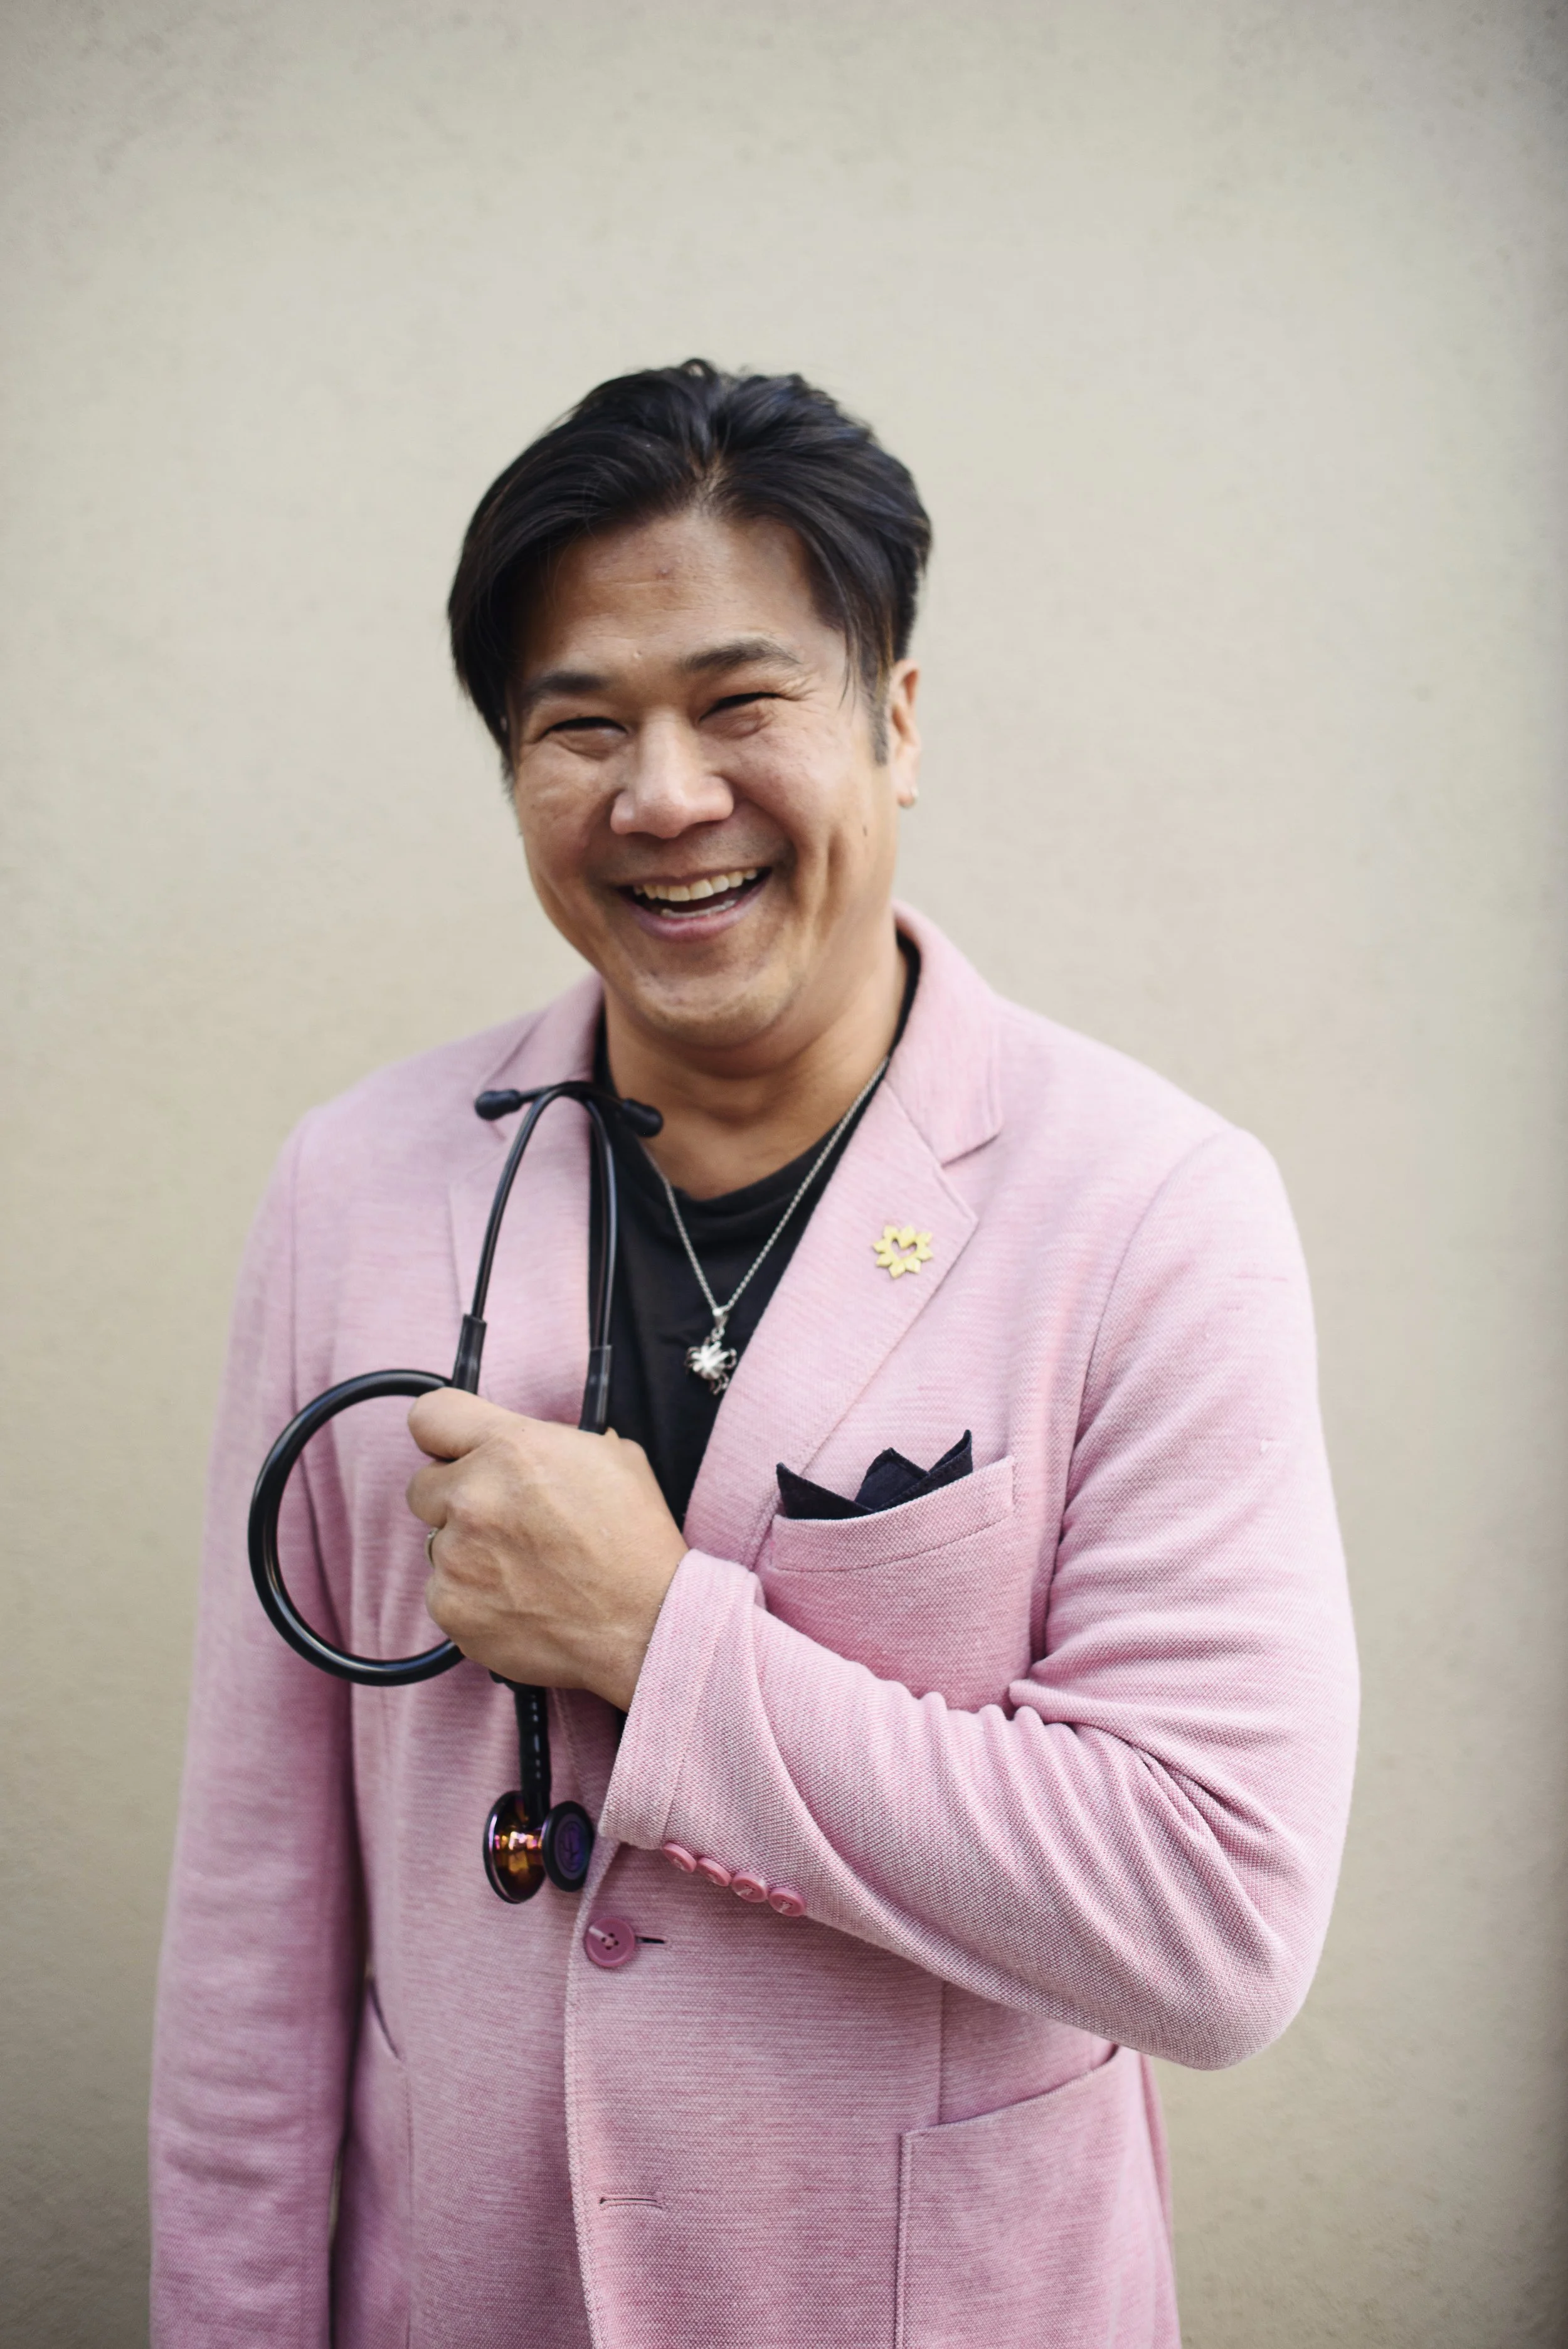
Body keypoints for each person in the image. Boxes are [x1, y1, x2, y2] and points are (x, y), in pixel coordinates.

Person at [150, 360, 1358, 2348]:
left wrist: (658, 1642)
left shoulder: (1151, 1207)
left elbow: (1210, 1916)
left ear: (892, 722)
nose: (662, 795)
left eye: (738, 702)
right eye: (578, 726)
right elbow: (256, 1916)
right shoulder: (352, 1186)